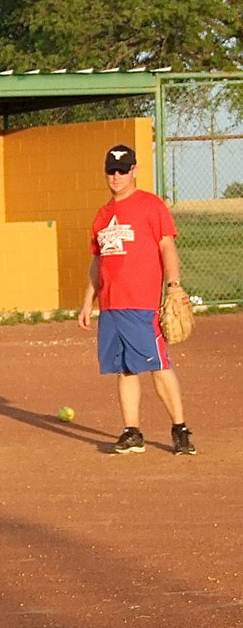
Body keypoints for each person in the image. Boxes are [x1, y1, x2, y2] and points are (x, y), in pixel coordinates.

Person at [78, 144, 196, 455]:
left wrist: (174, 286)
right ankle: (132, 432)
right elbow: (98, 261)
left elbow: (167, 247)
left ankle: (180, 429)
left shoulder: (150, 205)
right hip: (111, 305)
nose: (115, 176)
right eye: (111, 170)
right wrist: (88, 300)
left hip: (141, 303)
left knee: (158, 364)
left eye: (122, 170)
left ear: (134, 171)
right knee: (125, 368)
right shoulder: (103, 215)